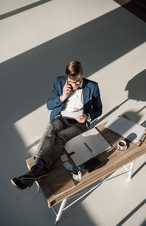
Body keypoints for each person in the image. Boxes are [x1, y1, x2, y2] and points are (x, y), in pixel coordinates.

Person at [11, 60, 102, 190]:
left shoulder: (92, 86)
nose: (74, 85)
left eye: (77, 82)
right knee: (50, 130)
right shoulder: (59, 82)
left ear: (82, 74)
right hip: (61, 117)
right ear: (67, 77)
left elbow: (98, 109)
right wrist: (62, 97)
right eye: (70, 81)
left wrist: (87, 116)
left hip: (79, 124)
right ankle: (38, 168)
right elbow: (49, 105)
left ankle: (38, 170)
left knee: (60, 138)